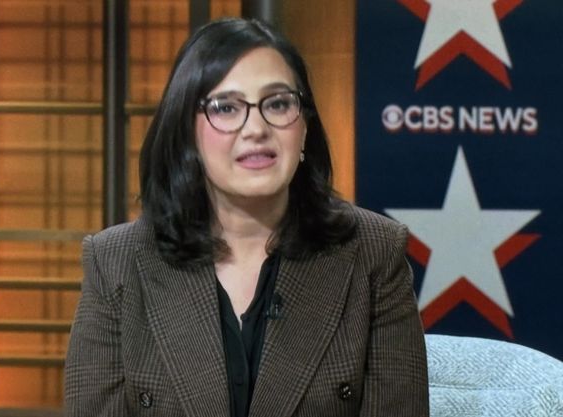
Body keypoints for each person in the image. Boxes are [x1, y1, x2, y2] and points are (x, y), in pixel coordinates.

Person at [65, 17, 428, 417]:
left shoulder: (375, 253)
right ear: (187, 133)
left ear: (304, 127)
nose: (256, 128)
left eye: (278, 104)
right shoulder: (115, 262)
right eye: (226, 107)